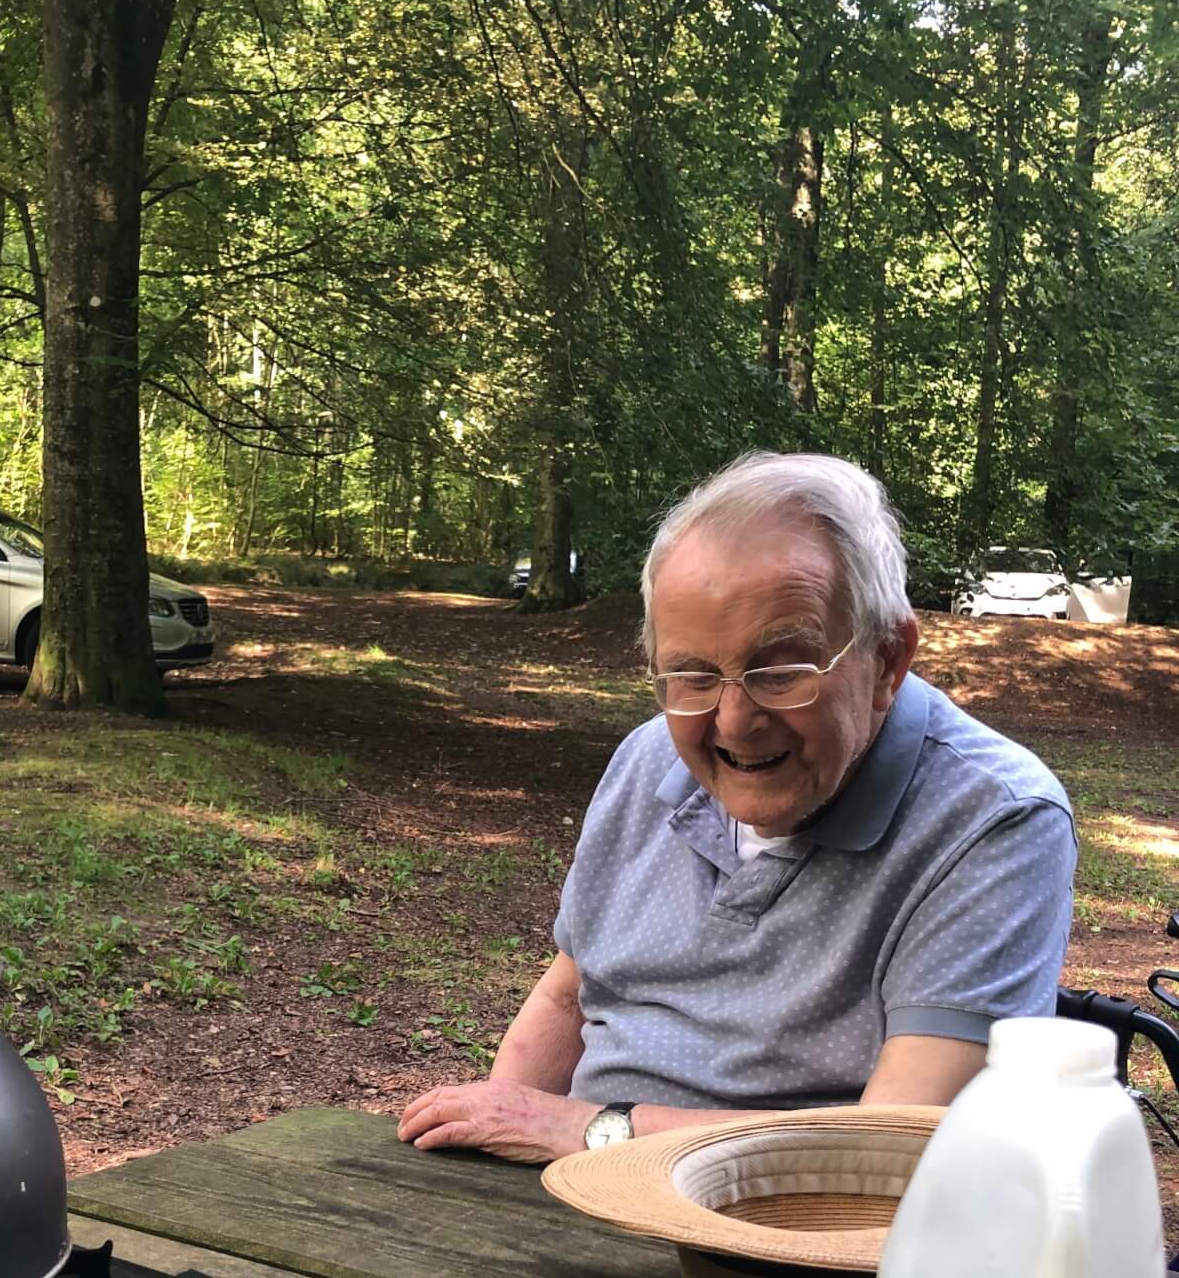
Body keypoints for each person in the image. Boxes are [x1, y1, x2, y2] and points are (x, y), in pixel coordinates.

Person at [398, 452, 1076, 1162]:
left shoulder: (994, 820)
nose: (732, 720)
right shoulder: (646, 760)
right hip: (575, 1200)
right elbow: (569, 997)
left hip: (791, 1246)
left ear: (887, 660)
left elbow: (894, 1148)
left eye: (780, 671)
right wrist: (494, 1154)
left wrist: (593, 1130)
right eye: (690, 675)